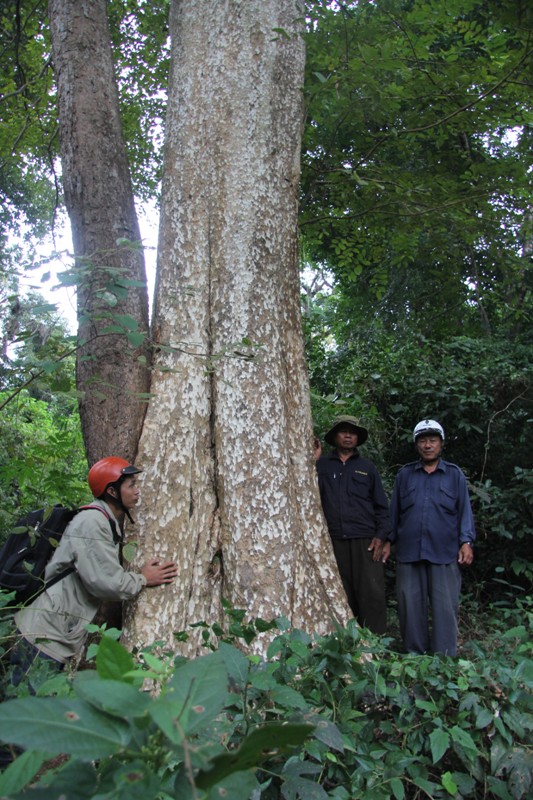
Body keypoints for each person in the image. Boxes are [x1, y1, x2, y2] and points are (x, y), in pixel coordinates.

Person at [13, 456, 178, 671]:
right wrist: (144, 578)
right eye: (131, 485)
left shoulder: (103, 520)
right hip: (43, 636)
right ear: (112, 492)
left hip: (49, 633)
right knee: (28, 703)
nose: (137, 491)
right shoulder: (93, 522)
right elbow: (105, 583)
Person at [387, 419, 475, 656]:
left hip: (444, 552)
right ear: (417, 446)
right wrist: (387, 540)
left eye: (432, 440)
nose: (427, 445)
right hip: (409, 552)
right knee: (409, 606)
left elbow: (464, 510)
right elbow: (394, 513)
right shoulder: (404, 475)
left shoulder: (454, 475)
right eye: (423, 441)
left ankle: (443, 658)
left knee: (445, 607)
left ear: (441, 444)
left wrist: (466, 542)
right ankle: (414, 656)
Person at [316, 415, 390, 634]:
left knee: (371, 595)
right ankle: (344, 647)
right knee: (339, 594)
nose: (348, 436)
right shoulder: (322, 466)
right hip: (333, 542)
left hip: (365, 542)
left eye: (353, 432)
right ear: (335, 436)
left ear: (357, 438)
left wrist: (382, 536)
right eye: (343, 431)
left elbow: (382, 507)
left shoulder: (367, 468)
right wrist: (312, 461)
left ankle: (375, 648)